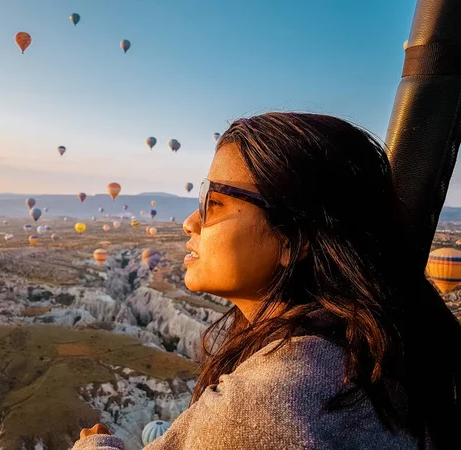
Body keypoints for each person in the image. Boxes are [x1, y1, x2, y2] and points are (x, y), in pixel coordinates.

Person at [72, 113, 461, 449]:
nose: (191, 222)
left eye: (214, 202)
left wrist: (94, 444)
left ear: (293, 239)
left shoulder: (271, 401)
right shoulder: (374, 349)